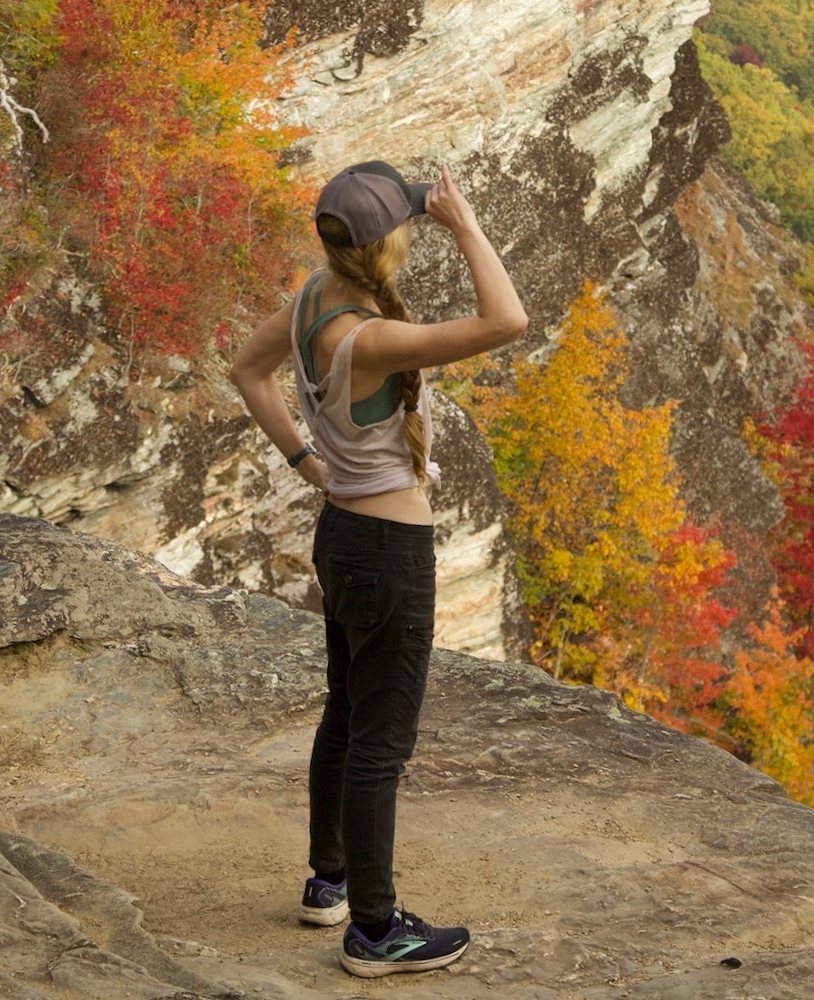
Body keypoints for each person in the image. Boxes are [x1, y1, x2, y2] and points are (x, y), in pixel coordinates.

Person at [228, 160, 527, 978]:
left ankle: (328, 882)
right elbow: (508, 319)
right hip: (389, 556)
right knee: (379, 744)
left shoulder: (313, 298)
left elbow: (245, 372)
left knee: (345, 717)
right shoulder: (374, 338)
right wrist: (464, 224)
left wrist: (304, 462)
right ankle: (373, 929)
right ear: (393, 240)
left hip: (343, 536)